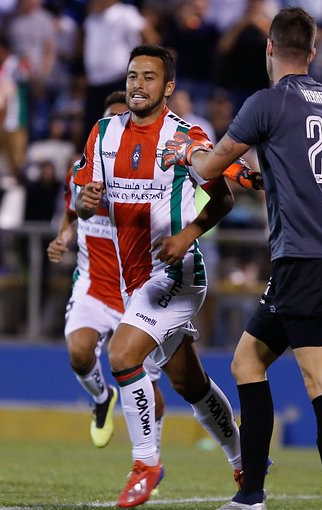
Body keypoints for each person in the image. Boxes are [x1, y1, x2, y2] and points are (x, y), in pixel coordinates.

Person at [162, 8, 322, 510]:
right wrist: (252, 177)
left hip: (305, 257)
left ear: (269, 48)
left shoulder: (268, 102)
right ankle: (251, 495)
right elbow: (291, 176)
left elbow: (209, 166)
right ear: (311, 53)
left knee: (321, 381)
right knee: (247, 361)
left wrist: (186, 152)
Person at [73, 46, 245, 508]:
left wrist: (188, 234)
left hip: (177, 273)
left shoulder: (185, 137)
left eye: (149, 77)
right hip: (135, 280)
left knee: (122, 353)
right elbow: (82, 195)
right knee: (190, 383)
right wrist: (85, 201)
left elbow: (224, 199)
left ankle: (146, 464)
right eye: (132, 76)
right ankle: (244, 460)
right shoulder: (104, 132)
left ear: (168, 87)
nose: (138, 85)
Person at [47, 90, 167, 451]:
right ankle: (101, 399)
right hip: (94, 286)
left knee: (149, 390)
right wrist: (63, 237)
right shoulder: (83, 171)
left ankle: (150, 461)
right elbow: (71, 211)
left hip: (139, 293)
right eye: (109, 122)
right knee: (79, 353)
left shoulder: (150, 172)